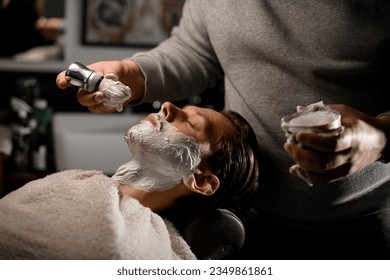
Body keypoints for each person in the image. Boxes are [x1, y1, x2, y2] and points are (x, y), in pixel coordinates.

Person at [56, 1, 390, 259]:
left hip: (365, 232)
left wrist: (380, 136)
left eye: (191, 118)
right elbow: (194, 50)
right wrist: (133, 72)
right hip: (245, 221)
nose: (166, 106)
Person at [0, 102, 260, 259]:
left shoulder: (129, 248)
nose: (168, 106)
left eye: (192, 122)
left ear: (201, 181)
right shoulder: (77, 181)